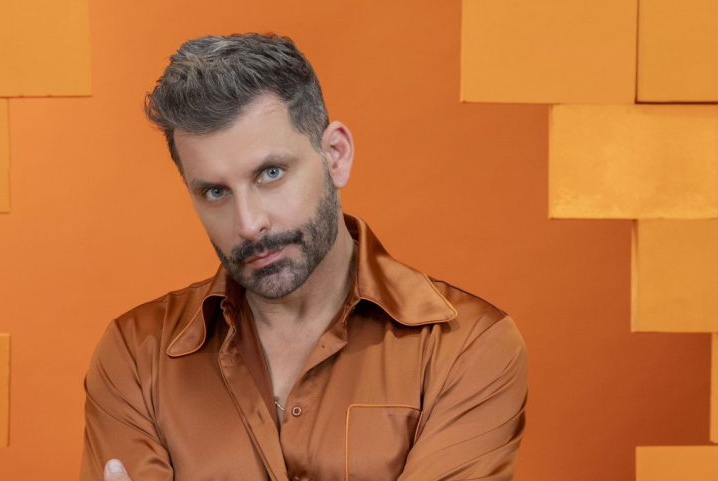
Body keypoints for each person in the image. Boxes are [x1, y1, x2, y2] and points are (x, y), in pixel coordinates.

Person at [80, 33, 527, 481]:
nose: (249, 223)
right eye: (215, 192)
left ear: (336, 155)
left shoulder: (466, 345)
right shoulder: (135, 355)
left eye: (271, 173)